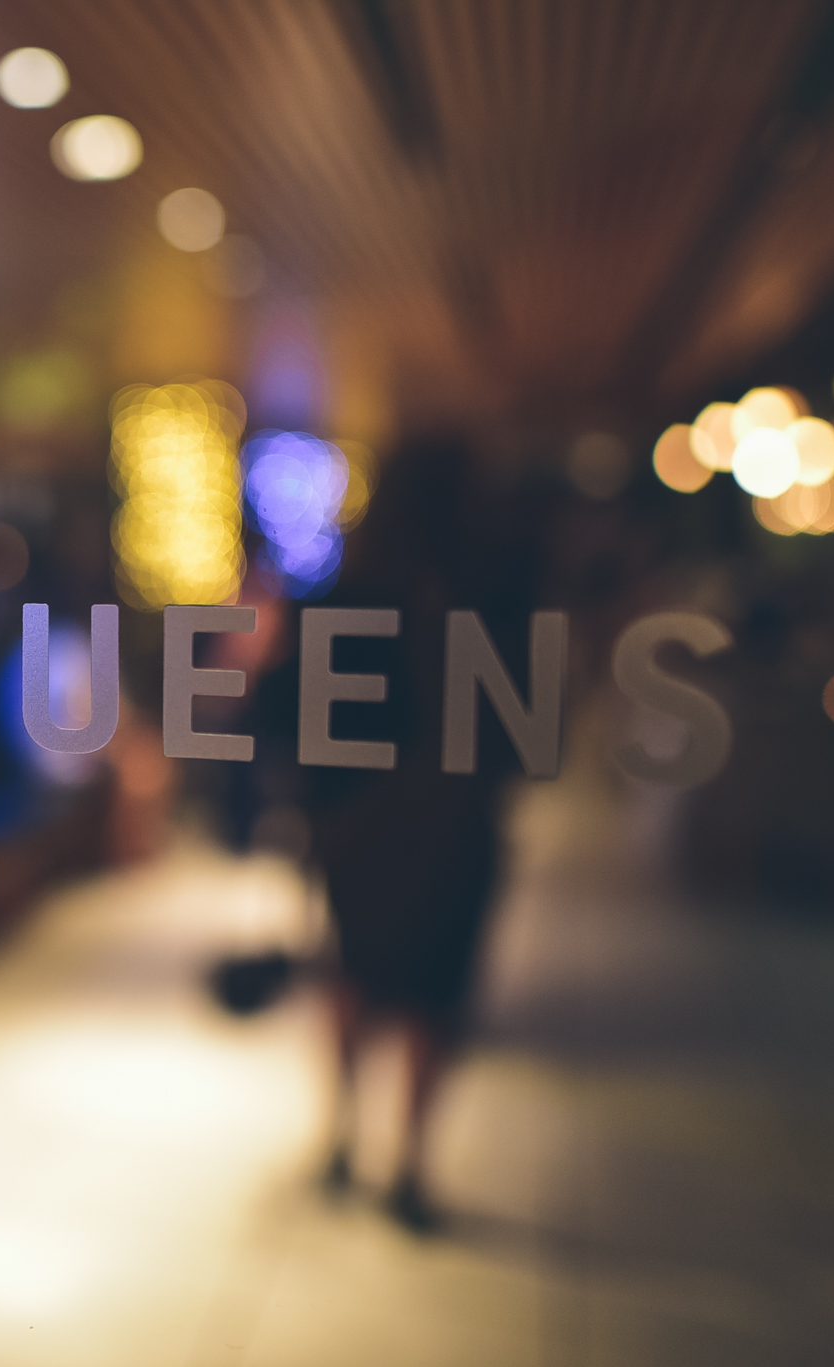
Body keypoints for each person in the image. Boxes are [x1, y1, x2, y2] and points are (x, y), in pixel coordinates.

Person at [247, 436, 541, 1233]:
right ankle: (408, 1162)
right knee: (432, 995)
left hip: (357, 822)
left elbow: (278, 713)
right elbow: (529, 735)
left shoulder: (346, 596)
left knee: (356, 974)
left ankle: (344, 1135)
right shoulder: (498, 598)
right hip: (451, 823)